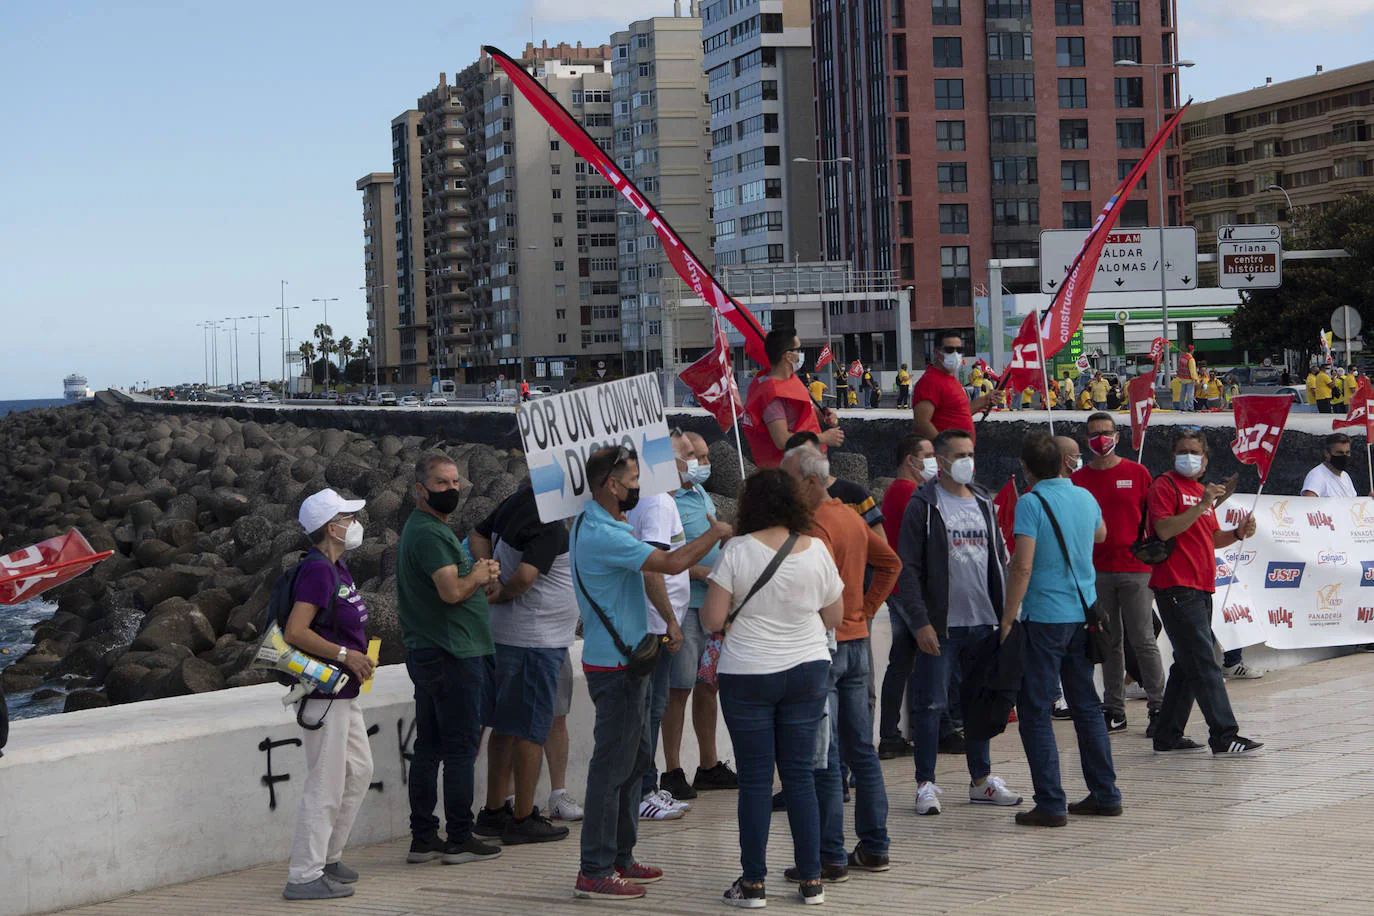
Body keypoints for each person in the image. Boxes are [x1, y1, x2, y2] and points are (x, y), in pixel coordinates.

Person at [571, 445, 732, 901]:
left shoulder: (595, 521)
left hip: (629, 660)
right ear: (610, 484)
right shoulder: (604, 532)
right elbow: (671, 563)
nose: (639, 487)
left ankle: (621, 856)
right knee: (612, 768)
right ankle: (595, 867)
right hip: (615, 665)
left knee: (634, 762)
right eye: (633, 480)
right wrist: (715, 533)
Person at [702, 469, 845, 908]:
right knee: (800, 776)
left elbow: (710, 620)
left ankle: (754, 884)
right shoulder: (817, 549)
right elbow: (834, 616)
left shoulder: (737, 550)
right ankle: (811, 881)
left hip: (748, 674)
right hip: (806, 670)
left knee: (757, 781)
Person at [783, 445, 900, 878]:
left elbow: (815, 587)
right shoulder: (851, 515)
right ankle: (875, 845)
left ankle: (829, 855)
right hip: (857, 643)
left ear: (811, 481)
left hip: (826, 644)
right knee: (862, 752)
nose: (785, 489)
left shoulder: (813, 526)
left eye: (790, 480)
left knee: (826, 757)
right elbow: (890, 563)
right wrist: (866, 611)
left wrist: (860, 612)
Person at [895, 430, 1024, 816]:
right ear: (942, 459)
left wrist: (1006, 615)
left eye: (971, 452)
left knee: (979, 704)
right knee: (931, 704)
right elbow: (909, 569)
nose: (967, 460)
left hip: (985, 623)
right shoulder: (924, 503)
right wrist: (921, 622)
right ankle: (926, 783)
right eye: (959, 454)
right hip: (942, 627)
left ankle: (981, 780)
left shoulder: (984, 500)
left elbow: (1001, 559)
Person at [1001, 433, 1120, 827]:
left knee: (1036, 708)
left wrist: (1007, 616)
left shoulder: (1031, 502)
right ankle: (1106, 794)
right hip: (1082, 616)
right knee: (1086, 704)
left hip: (1046, 618)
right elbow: (1101, 534)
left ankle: (1050, 802)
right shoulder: (1085, 496)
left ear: (1027, 468)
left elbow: (1022, 565)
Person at [398, 454, 503, 867]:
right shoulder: (427, 533)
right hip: (451, 654)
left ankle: (423, 838)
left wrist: (479, 577)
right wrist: (476, 576)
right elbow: (451, 592)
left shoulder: (427, 529)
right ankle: (459, 836)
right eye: (442, 483)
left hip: (433, 651)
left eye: (456, 482)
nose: (452, 490)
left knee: (430, 746)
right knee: (459, 747)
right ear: (420, 489)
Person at [281, 489, 376, 901]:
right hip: (325, 691)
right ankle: (304, 875)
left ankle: (328, 856)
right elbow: (295, 632)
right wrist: (345, 654)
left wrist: (356, 657)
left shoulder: (340, 568)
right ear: (330, 527)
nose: (354, 524)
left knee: (358, 771)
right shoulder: (318, 571)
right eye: (347, 517)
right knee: (325, 784)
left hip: (344, 690)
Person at [467, 486, 575, 845]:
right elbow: (527, 576)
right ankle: (523, 815)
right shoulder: (550, 524)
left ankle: (494, 810)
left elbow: (478, 534)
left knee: (503, 726)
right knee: (530, 729)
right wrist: (505, 591)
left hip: (507, 636)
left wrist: (489, 573)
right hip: (534, 642)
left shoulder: (516, 500)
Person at [1147, 429, 1264, 756]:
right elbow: (1164, 528)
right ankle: (1224, 735)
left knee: (1187, 662)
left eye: (1194, 452)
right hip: (1175, 584)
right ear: (1173, 455)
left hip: (1200, 586)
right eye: (1182, 451)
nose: (1188, 456)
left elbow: (1210, 538)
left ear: (1205, 458)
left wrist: (1238, 532)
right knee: (1204, 659)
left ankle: (1167, 734)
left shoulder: (1201, 491)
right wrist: (1201, 505)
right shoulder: (1165, 487)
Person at [1072, 413, 1167, 736]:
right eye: (1094, 433)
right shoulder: (1078, 479)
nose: (1101, 438)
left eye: (1106, 432)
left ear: (1117, 435)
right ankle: (1114, 708)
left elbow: (1153, 521)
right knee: (1109, 642)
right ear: (1087, 439)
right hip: (1096, 571)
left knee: (1143, 639)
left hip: (1137, 569)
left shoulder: (1138, 473)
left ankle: (1159, 707)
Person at [661, 431, 738, 802]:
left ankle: (708, 765)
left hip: (711, 609)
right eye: (694, 455)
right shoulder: (662, 502)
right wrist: (703, 572)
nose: (702, 464)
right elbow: (662, 559)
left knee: (709, 686)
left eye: (705, 457)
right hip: (685, 607)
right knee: (678, 689)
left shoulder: (698, 492)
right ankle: (672, 769)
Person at [625, 490, 692, 821]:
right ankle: (644, 791)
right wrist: (670, 621)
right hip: (655, 624)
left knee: (653, 705)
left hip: (653, 621)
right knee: (651, 708)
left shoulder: (645, 500)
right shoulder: (659, 502)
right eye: (688, 454)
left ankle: (647, 786)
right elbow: (653, 568)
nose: (692, 464)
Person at [878, 434, 937, 759]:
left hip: (898, 587)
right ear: (909, 460)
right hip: (911, 590)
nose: (934, 461)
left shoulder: (894, 492)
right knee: (929, 658)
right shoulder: (911, 492)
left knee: (901, 662)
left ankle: (891, 733)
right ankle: (931, 728)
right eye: (927, 454)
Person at [742, 328, 843, 468]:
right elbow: (782, 440)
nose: (800, 354)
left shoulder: (791, 380)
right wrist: (823, 438)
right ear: (788, 356)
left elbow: (805, 409)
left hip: (808, 465)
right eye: (798, 349)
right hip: (788, 473)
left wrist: (823, 414)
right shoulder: (772, 395)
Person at [911, 330, 1000, 440]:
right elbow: (921, 423)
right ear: (936, 352)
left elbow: (959, 413)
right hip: (947, 455)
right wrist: (945, 449)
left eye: (959, 350)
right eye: (949, 350)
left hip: (960, 454)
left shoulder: (951, 380)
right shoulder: (930, 381)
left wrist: (985, 400)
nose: (955, 354)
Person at [1302, 432, 1360, 498]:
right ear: (1327, 454)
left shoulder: (1345, 476)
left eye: (1347, 452)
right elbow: (1309, 504)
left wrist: (1369, 500)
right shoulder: (1316, 476)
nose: (1344, 456)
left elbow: (1353, 503)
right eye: (1339, 453)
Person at [1178, 346, 1198, 411]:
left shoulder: (1181, 357)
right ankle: (1190, 407)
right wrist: (1195, 379)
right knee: (1190, 394)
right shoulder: (1190, 359)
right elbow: (1192, 371)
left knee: (1182, 393)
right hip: (1189, 379)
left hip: (1182, 378)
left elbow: (1179, 368)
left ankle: (1182, 407)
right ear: (1192, 350)